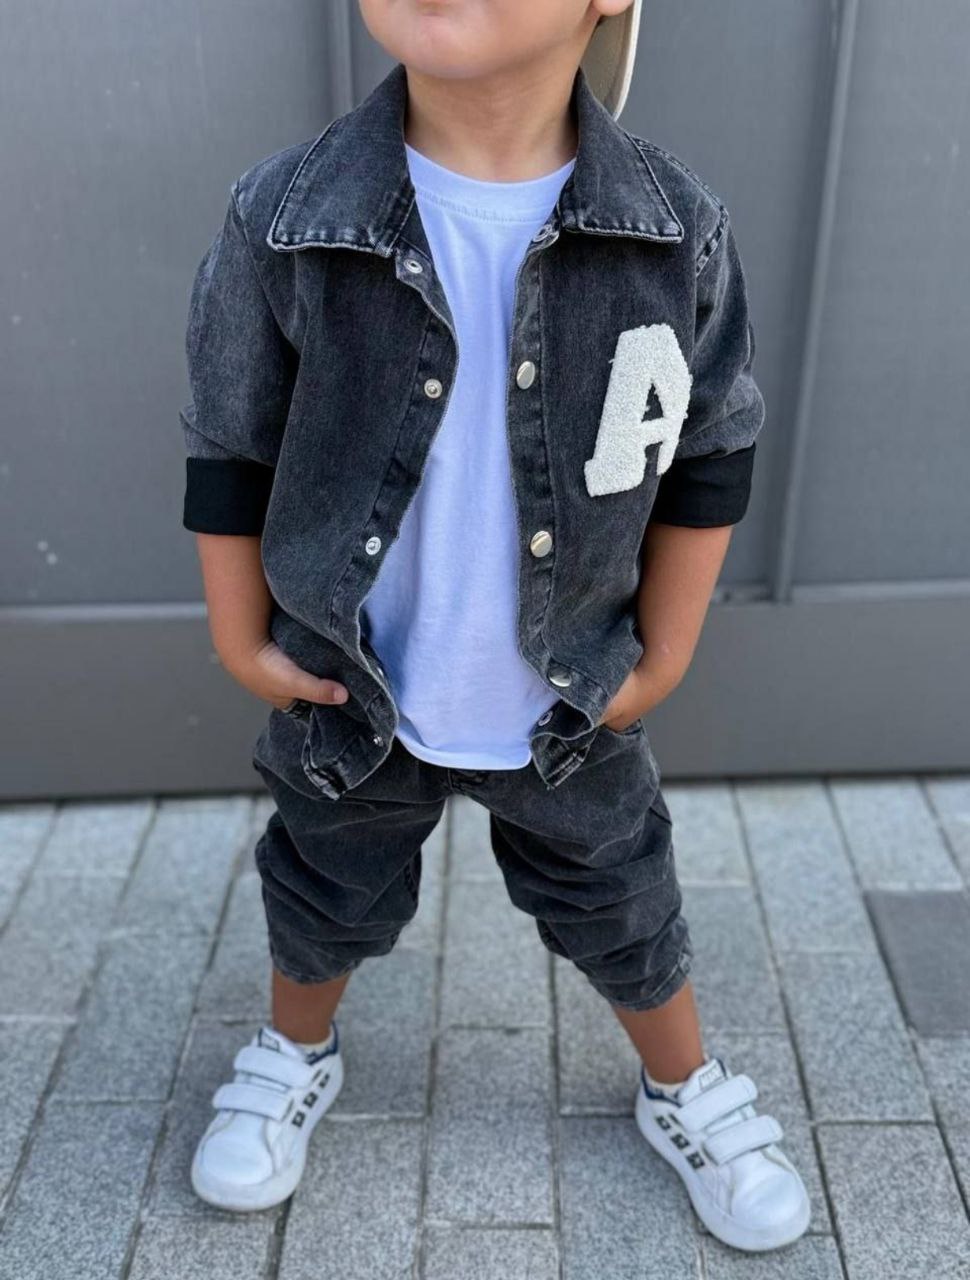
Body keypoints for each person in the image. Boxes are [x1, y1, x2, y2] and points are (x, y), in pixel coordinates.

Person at [178, 0, 810, 1253]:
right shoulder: (286, 215)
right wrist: (240, 639)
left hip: (566, 698)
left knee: (623, 895)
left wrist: (666, 653)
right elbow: (230, 434)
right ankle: (293, 1050)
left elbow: (711, 447)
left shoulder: (673, 228)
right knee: (320, 883)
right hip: (353, 690)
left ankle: (681, 1083)